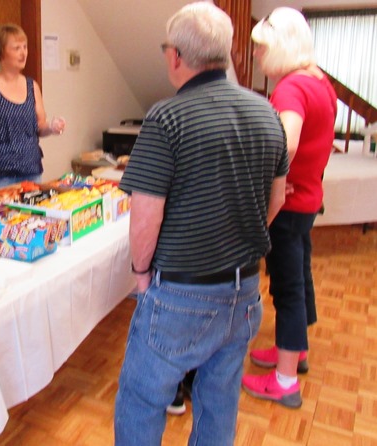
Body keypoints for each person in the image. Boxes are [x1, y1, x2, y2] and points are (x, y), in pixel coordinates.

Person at [114, 3, 289, 445]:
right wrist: (239, 235)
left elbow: (145, 215)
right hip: (244, 291)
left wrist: (139, 274)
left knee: (141, 400)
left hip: (182, 294)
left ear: (176, 55)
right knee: (218, 403)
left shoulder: (166, 117)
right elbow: (278, 197)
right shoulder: (266, 111)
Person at [242, 7, 337, 408]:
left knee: (287, 287)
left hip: (290, 203)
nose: (259, 58)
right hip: (309, 199)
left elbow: (288, 142)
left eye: (263, 50)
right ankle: (295, 352)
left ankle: (283, 381)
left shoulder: (290, 88)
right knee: (300, 278)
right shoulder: (320, 79)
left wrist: (268, 180)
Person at [0, 23, 66, 195]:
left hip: (31, 173)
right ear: (2, 52)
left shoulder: (32, 86)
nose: (23, 52)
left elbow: (40, 127)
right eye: (17, 48)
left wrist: (52, 127)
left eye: (25, 47)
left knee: (30, 221)